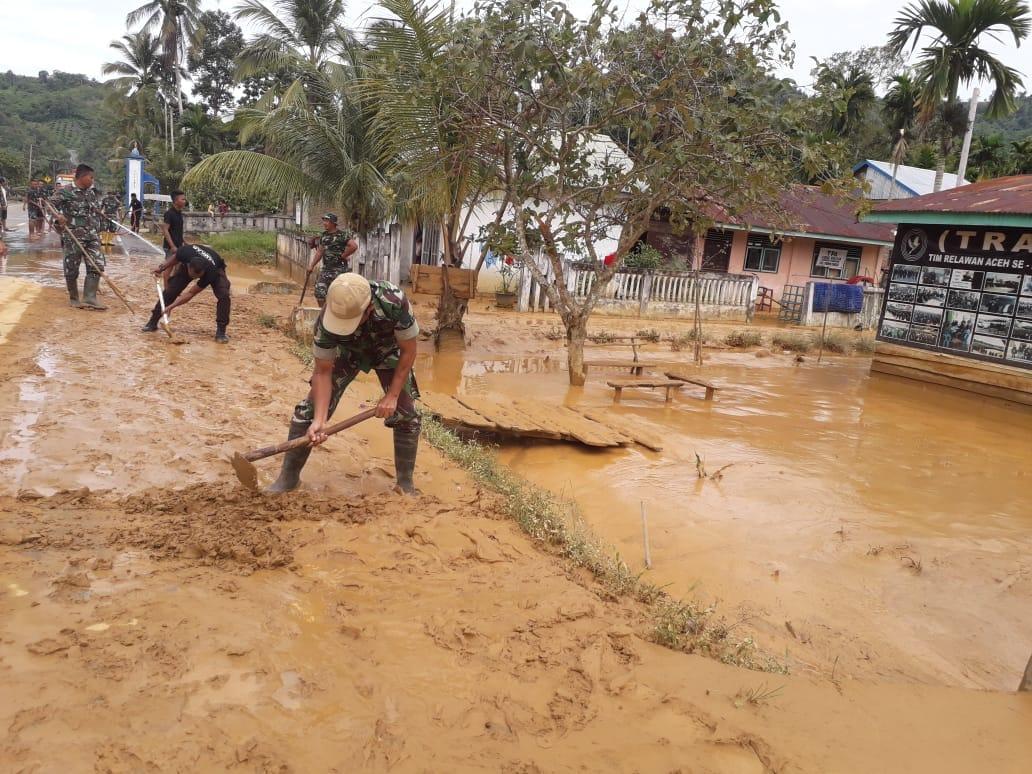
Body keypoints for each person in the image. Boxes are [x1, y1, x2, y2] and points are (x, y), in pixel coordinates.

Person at [267, 273, 421, 495]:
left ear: (368, 310)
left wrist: (393, 395)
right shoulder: (326, 321)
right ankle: (288, 480)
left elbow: (409, 351)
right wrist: (320, 420)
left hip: (389, 350)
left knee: (407, 414)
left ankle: (405, 484)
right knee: (308, 412)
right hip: (347, 352)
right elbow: (322, 372)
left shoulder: (393, 302)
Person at [143, 243, 231, 343]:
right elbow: (174, 259)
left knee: (224, 295)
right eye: (193, 276)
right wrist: (161, 268)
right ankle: (152, 322)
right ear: (187, 265)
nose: (195, 278)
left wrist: (171, 306)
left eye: (198, 276)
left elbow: (191, 293)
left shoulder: (211, 272)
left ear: (203, 271)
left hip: (216, 267)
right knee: (171, 291)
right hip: (191, 259)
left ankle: (221, 332)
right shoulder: (185, 253)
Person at [50, 164, 107, 310]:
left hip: (92, 235)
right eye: (91, 177)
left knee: (97, 264)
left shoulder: (91, 192)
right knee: (71, 268)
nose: (92, 180)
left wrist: (99, 214)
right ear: (82, 177)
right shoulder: (66, 192)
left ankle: (89, 297)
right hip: (73, 235)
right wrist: (58, 216)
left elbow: (93, 208)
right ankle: (74, 297)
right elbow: (49, 204)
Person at [306, 213, 358, 307]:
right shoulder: (324, 236)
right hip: (326, 270)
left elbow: (353, 246)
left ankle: (337, 315)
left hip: (339, 270)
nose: (324, 223)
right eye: (324, 221)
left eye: (327, 221)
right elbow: (319, 252)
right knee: (319, 292)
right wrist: (312, 265)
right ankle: (324, 312)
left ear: (333, 223)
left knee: (339, 296)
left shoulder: (342, 235)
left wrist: (343, 255)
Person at [159, 190, 187, 274]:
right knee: (168, 268)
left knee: (178, 268)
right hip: (170, 247)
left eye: (184, 199)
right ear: (175, 201)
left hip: (179, 245)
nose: (184, 201)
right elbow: (165, 230)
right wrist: (172, 246)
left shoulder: (179, 213)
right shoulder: (169, 213)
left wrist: (184, 242)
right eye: (182, 199)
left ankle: (173, 286)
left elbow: (177, 230)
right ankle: (167, 287)